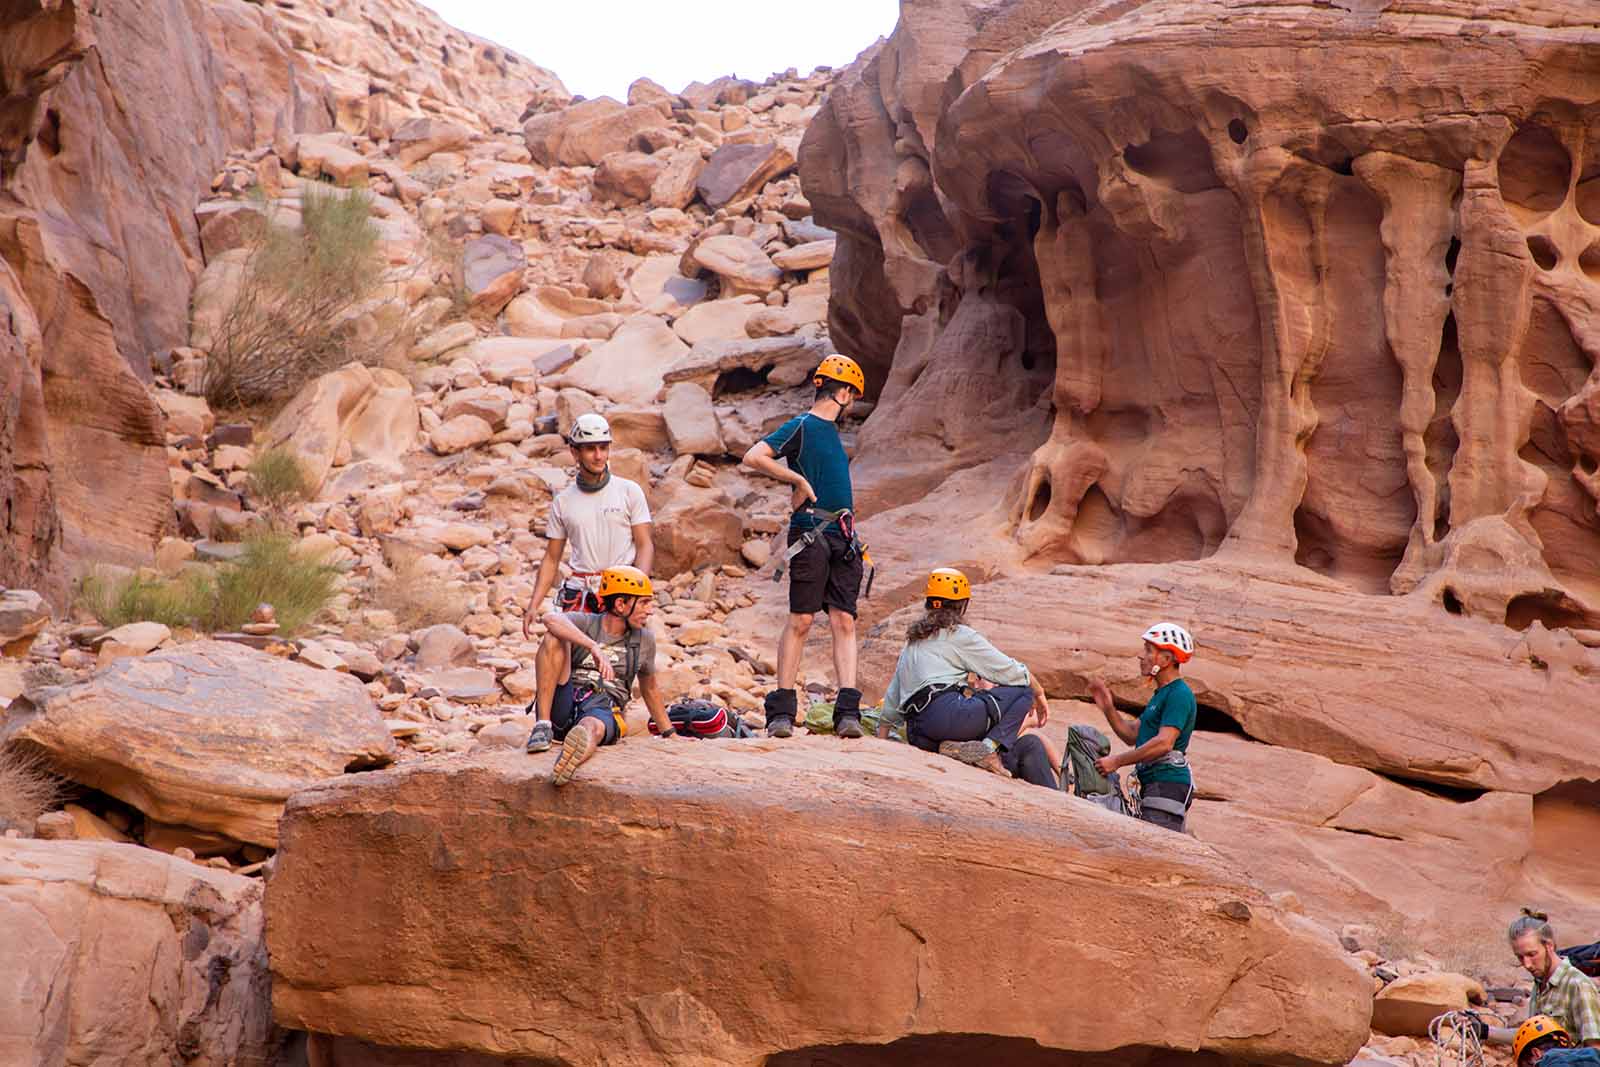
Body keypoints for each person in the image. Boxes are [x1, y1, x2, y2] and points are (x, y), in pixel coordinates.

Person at [741, 354, 868, 739]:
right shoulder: (802, 426)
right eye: (852, 393)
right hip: (811, 528)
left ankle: (847, 713)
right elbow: (754, 456)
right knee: (802, 619)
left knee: (843, 619)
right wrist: (797, 478)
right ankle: (781, 711)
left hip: (842, 535)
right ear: (843, 392)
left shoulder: (829, 432)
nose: (852, 401)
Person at [523, 413, 652, 753]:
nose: (598, 455)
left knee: (630, 657)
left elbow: (645, 544)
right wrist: (534, 602)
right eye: (590, 448)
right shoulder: (564, 501)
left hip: (620, 592)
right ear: (574, 452)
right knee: (557, 648)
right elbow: (552, 557)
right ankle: (545, 722)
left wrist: (640, 587)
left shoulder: (628, 491)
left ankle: (604, 714)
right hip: (581, 591)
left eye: (603, 447)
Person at [877, 568, 1056, 786]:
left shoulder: (912, 644)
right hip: (948, 718)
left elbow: (893, 699)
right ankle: (988, 750)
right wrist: (1038, 692)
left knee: (1027, 741)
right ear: (962, 605)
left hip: (918, 733)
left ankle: (956, 747)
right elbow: (1012, 672)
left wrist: (881, 743)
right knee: (1023, 690)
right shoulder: (959, 635)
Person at [524, 565, 674, 785]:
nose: (650, 610)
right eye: (643, 602)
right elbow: (550, 618)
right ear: (621, 604)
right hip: (566, 697)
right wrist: (593, 646)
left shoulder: (644, 640)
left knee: (592, 728)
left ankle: (569, 760)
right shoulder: (587, 623)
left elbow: (649, 688)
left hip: (603, 705)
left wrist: (669, 733)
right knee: (554, 637)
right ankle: (543, 726)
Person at [1087, 622, 1198, 833]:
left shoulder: (1179, 694)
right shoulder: (1162, 694)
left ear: (1166, 659)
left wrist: (1117, 761)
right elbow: (1131, 734)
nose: (1141, 656)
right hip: (1155, 783)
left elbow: (1164, 743)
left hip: (1167, 784)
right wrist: (1108, 708)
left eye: (1149, 651)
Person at [1510, 911, 1600, 1047]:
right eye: (1520, 957)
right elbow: (1530, 1037)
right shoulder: (1540, 984)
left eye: (1532, 954)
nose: (1527, 964)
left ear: (1549, 946)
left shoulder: (1578, 985)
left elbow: (1595, 1052)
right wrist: (1485, 1031)